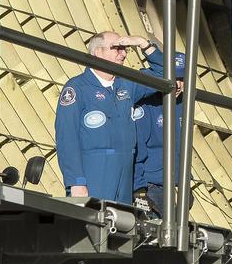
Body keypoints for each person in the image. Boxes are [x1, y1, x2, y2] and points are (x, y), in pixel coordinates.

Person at [54, 32, 163, 204]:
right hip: (94, 174)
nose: (124, 53)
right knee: (91, 226)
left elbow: (164, 74)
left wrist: (143, 43)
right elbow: (67, 139)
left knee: (120, 226)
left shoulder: (128, 83)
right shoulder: (77, 87)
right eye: (117, 48)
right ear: (98, 52)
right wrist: (76, 182)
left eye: (125, 48)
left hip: (125, 174)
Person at [132, 50, 185, 217]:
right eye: (175, 78)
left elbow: (179, 145)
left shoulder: (181, 103)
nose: (179, 84)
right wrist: (139, 190)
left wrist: (185, 180)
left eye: (183, 79)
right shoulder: (145, 104)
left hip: (168, 183)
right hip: (149, 184)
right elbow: (136, 147)